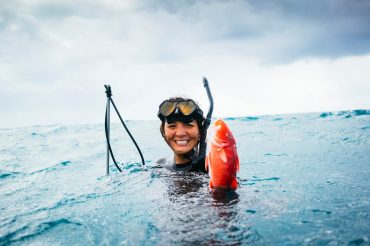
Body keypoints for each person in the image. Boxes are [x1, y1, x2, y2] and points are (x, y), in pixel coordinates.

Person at [156, 97, 207, 173]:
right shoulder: (160, 164)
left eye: (188, 125)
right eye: (172, 126)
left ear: (201, 132)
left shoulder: (215, 168)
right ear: (163, 132)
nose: (180, 133)